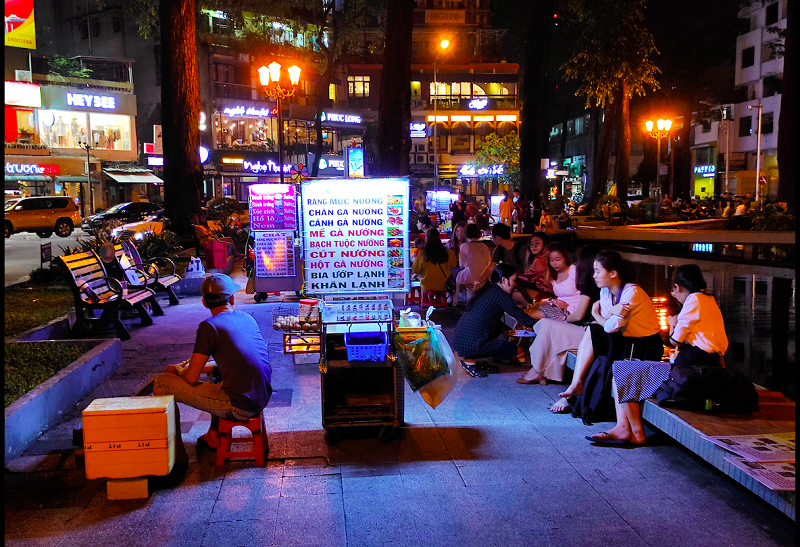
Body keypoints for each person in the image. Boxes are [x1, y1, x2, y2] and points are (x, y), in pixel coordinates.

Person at [588, 265, 728, 445]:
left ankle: (633, 431)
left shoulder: (693, 300)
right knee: (624, 370)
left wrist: (672, 322)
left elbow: (674, 340)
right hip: (703, 364)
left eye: (673, 291)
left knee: (623, 370)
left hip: (690, 366)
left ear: (678, 287)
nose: (674, 296)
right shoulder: (709, 299)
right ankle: (625, 428)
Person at [152, 274, 273, 457]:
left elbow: (191, 377)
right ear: (231, 298)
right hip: (261, 395)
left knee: (162, 382)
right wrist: (190, 368)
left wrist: (178, 370)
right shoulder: (247, 318)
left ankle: (175, 455)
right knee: (215, 376)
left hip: (240, 405)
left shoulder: (209, 327)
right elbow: (235, 361)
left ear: (204, 303)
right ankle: (213, 435)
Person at [550, 251, 663, 415]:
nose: (593, 275)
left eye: (597, 271)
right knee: (593, 330)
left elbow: (609, 326)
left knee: (595, 330)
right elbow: (607, 323)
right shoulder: (605, 292)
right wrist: (605, 316)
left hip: (642, 347)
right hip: (624, 341)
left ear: (613, 273)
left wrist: (596, 314)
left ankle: (576, 387)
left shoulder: (632, 293)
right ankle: (576, 383)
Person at [519, 245, 600, 385]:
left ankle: (538, 370)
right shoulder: (590, 283)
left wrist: (562, 318)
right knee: (543, 323)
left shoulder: (588, 284)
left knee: (546, 324)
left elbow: (579, 316)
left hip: (587, 331)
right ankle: (539, 370)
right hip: (582, 327)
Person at [452, 263, 537, 378]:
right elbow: (522, 317)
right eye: (513, 280)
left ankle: (481, 361)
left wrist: (507, 330)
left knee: (497, 331)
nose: (515, 284)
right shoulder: (500, 295)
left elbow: (488, 318)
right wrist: (545, 325)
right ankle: (470, 361)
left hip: (459, 341)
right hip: (470, 345)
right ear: (504, 280)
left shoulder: (487, 290)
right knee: (511, 349)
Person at [524, 243, 583, 321]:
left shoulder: (574, 270)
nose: (555, 263)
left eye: (558, 260)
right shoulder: (553, 274)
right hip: (558, 306)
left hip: (571, 309)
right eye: (552, 260)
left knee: (533, 315)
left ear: (565, 258)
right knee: (526, 312)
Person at [454, 223, 494, 306]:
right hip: (484, 278)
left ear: (466, 234)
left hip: (469, 277)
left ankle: (455, 300)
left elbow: (461, 265)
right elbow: (488, 263)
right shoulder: (484, 246)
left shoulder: (463, 246)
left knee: (457, 274)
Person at [411, 228, 457, 292]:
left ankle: (423, 301)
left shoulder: (422, 252)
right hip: (443, 284)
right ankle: (442, 301)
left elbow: (416, 270)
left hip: (427, 285)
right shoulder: (446, 250)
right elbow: (453, 264)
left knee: (421, 285)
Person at [514, 231, 553, 304]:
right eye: (531, 244)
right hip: (547, 291)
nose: (533, 246)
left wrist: (513, 277)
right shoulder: (546, 256)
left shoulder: (540, 260)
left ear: (544, 244)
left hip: (547, 293)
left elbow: (529, 277)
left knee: (513, 293)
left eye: (537, 243)